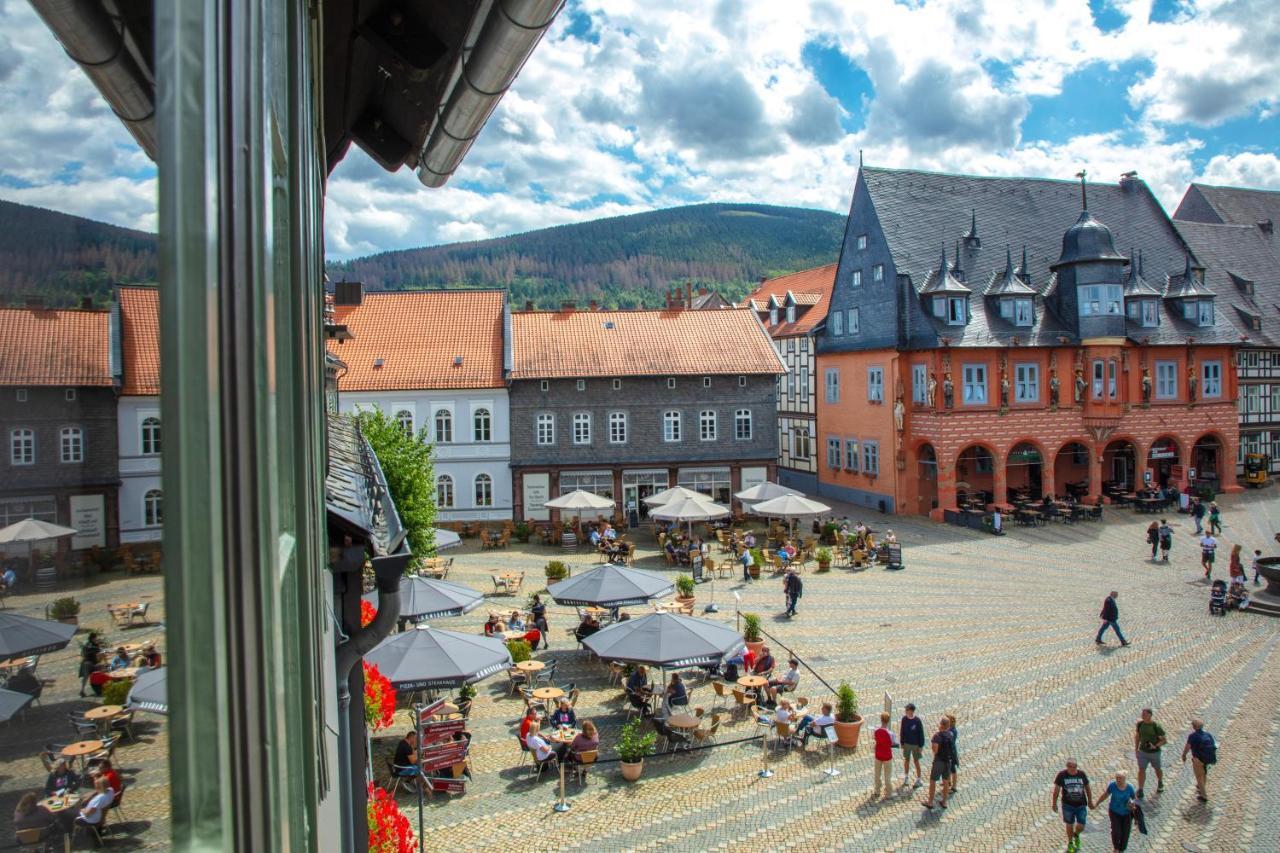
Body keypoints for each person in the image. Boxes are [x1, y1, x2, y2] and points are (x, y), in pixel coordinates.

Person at [1052, 758, 1093, 852]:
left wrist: (1090, 801)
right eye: (1071, 767)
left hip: (1081, 804)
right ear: (1067, 767)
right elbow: (1056, 791)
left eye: (1075, 767)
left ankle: (1076, 834)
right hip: (1067, 805)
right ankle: (1070, 842)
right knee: (1069, 824)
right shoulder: (1062, 775)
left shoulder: (1081, 774)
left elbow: (1087, 788)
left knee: (1081, 825)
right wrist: (1054, 803)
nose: (1073, 769)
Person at [1092, 770, 1138, 852]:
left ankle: (1122, 849)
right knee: (1116, 831)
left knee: (1125, 832)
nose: (1118, 780)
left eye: (1120, 778)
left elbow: (1134, 799)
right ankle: (1116, 847)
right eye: (1117, 778)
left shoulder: (1130, 787)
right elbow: (1105, 795)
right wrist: (1097, 803)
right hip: (1114, 812)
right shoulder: (1112, 786)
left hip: (1127, 814)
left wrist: (1133, 806)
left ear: (1124, 778)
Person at [920, 716, 954, 810]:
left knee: (933, 781)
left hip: (939, 761)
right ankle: (944, 801)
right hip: (948, 761)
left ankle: (930, 802)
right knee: (946, 781)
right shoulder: (950, 735)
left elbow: (935, 750)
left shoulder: (937, 736)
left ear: (941, 724)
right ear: (948, 725)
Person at [1133, 708, 1166, 798]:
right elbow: (1137, 737)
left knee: (1157, 769)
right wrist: (1136, 750)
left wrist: (1155, 746)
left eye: (1145, 714)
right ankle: (1140, 789)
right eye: (1142, 714)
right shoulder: (1140, 724)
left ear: (1150, 715)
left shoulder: (1156, 726)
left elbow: (1164, 740)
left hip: (1154, 753)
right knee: (1141, 769)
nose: (1142, 715)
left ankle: (1160, 782)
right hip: (1143, 751)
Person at [1182, 719, 1216, 802]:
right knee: (1204, 774)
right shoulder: (1208, 734)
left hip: (1197, 759)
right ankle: (1202, 789)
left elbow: (1188, 747)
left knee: (1199, 777)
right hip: (1207, 758)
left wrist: (1184, 755)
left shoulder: (1193, 736)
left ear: (1194, 727)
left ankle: (1203, 795)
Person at [872, 712, 898, 798]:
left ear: (881, 720)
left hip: (878, 754)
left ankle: (877, 790)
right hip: (887, 756)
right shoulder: (891, 734)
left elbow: (875, 738)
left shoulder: (876, 731)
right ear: (888, 721)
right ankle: (889, 793)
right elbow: (894, 743)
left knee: (877, 774)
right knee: (887, 775)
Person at [900, 703, 925, 789]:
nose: (905, 711)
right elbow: (902, 731)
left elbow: (921, 734)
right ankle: (906, 777)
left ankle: (918, 779)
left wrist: (921, 746)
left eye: (907, 710)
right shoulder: (904, 719)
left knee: (916, 761)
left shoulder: (917, 721)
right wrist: (902, 742)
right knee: (907, 760)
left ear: (911, 711)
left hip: (915, 745)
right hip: (906, 744)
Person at [78, 632, 103, 697]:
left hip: (91, 663)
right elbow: (92, 649)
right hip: (88, 663)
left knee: (90, 676)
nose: (97, 639)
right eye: (96, 638)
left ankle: (83, 690)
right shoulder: (88, 644)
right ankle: (82, 690)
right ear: (93, 638)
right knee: (87, 677)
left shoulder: (93, 644)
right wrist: (98, 648)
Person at [946, 713, 960, 793]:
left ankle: (954, 786)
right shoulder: (951, 729)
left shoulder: (951, 731)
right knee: (948, 768)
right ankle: (949, 782)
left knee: (952, 769)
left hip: (951, 752)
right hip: (950, 751)